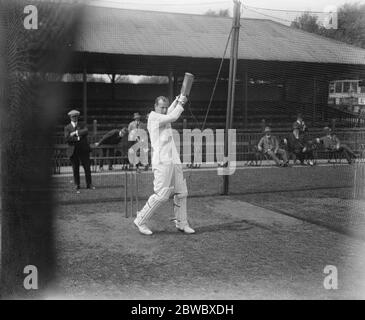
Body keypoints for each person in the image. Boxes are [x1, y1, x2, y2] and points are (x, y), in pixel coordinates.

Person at [133, 95, 195, 235]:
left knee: (182, 192)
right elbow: (172, 116)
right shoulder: (154, 117)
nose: (164, 109)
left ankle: (182, 223)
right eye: (162, 107)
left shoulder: (164, 114)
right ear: (155, 107)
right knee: (161, 195)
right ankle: (140, 220)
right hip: (161, 161)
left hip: (174, 159)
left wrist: (177, 100)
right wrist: (181, 103)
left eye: (166, 107)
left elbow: (170, 112)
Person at [64, 109, 94, 193]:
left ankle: (89, 184)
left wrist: (75, 132)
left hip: (83, 150)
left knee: (87, 168)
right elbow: (67, 138)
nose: (75, 118)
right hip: (73, 151)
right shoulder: (67, 127)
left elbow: (86, 131)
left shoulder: (82, 124)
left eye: (76, 116)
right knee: (75, 168)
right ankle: (77, 184)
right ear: (70, 117)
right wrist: (77, 138)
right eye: (73, 116)